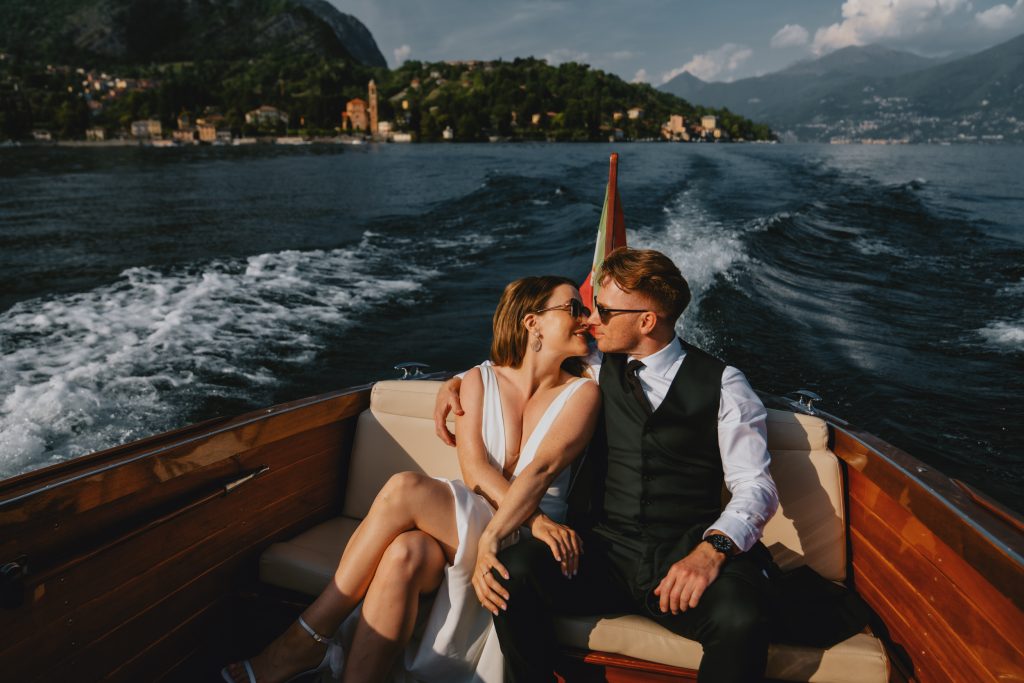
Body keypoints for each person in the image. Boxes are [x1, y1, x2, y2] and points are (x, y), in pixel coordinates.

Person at [222, 276, 600, 683]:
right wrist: (537, 520)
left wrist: (537, 522)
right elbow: (475, 472)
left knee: (406, 487)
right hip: (482, 524)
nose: (586, 318)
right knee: (406, 552)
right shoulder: (477, 381)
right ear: (532, 322)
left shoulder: (583, 392)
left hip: (526, 542)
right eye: (573, 309)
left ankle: (304, 640)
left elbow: (540, 471)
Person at [434, 248, 779, 683]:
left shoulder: (726, 384)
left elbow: (756, 488)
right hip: (605, 552)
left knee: (740, 619)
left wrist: (711, 554)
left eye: (605, 311)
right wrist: (455, 385)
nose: (590, 320)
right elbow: (519, 364)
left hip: (684, 548)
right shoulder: (595, 366)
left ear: (646, 321)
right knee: (515, 572)